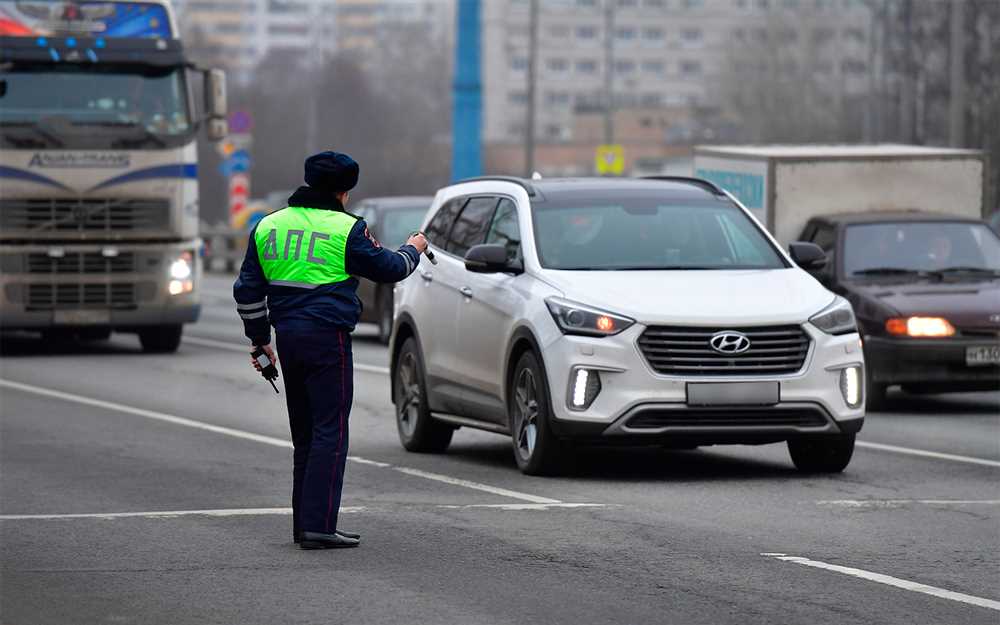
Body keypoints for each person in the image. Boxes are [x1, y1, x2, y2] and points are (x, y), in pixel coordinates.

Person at [233, 151, 428, 550]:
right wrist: (414, 248)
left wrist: (259, 339)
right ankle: (319, 526)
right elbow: (390, 269)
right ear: (344, 191)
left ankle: (304, 524)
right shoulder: (347, 229)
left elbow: (247, 291)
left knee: (305, 435)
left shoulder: (267, 226)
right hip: (328, 338)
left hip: (287, 338)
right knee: (331, 432)